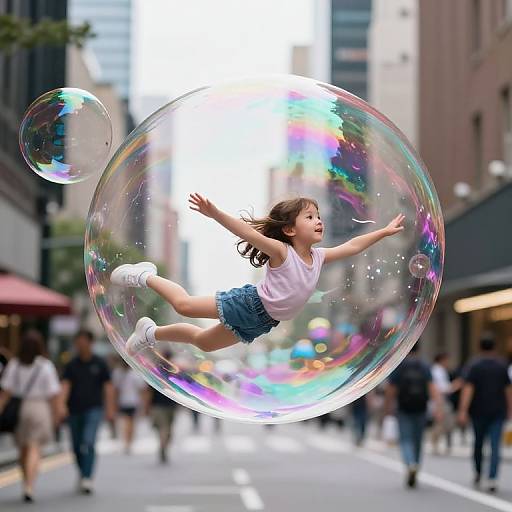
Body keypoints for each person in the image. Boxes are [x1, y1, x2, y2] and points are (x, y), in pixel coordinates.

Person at [111, 194, 405, 354]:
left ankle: (150, 333)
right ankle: (144, 276)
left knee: (203, 343)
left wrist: (384, 231)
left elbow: (353, 245)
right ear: (289, 229)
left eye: (318, 216)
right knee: (184, 305)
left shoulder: (318, 257)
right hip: (249, 305)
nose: (319, 221)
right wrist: (216, 214)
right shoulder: (282, 252)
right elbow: (247, 232)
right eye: (310, 217)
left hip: (263, 322)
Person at [0, 330, 61, 502]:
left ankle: (25, 481)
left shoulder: (14, 364)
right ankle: (30, 486)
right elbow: (54, 394)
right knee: (35, 447)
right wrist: (56, 414)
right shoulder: (45, 366)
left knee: (23, 449)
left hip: (20, 408)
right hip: (39, 408)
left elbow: (5, 392)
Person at [60, 329, 116, 495]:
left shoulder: (100, 363)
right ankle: (83, 472)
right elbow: (65, 386)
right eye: (78, 342)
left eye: (84, 342)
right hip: (74, 410)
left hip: (94, 409)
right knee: (76, 446)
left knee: (89, 442)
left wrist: (110, 409)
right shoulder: (71, 364)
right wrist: (61, 405)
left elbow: (108, 387)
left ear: (91, 343)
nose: (81, 345)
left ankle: (87, 477)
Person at [458, 335, 512, 493]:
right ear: (494, 347)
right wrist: (510, 409)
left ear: (479, 347)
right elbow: (508, 390)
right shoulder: (502, 366)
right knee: (495, 445)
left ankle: (478, 471)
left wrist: (462, 410)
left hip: (478, 411)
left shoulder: (474, 366)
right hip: (498, 411)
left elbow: (468, 390)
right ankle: (492, 478)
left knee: (478, 443)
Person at [385, 342, 442, 489]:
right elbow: (432, 388)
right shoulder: (424, 366)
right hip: (421, 407)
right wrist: (438, 407)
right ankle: (415, 464)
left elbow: (391, 389)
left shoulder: (399, 365)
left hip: (403, 408)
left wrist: (389, 405)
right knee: (418, 440)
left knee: (405, 439)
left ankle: (410, 463)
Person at [112, 359, 145, 454]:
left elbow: (141, 389)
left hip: (132, 402)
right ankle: (127, 441)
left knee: (130, 423)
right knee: (127, 423)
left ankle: (128, 441)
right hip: (124, 401)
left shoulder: (133, 373)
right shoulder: (118, 373)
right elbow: (115, 389)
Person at [430, 352, 461, 454]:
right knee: (443, 423)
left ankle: (439, 444)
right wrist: (455, 385)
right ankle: (436, 443)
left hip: (440, 400)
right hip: (440, 400)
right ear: (442, 360)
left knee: (444, 423)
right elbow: (442, 388)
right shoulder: (438, 371)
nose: (448, 363)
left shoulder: (438, 370)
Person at [145, 385, 179, 464]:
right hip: (164, 406)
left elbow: (148, 392)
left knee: (164, 429)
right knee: (166, 429)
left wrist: (146, 407)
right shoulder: (170, 375)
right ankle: (163, 447)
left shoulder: (155, 375)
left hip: (161, 406)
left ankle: (163, 446)